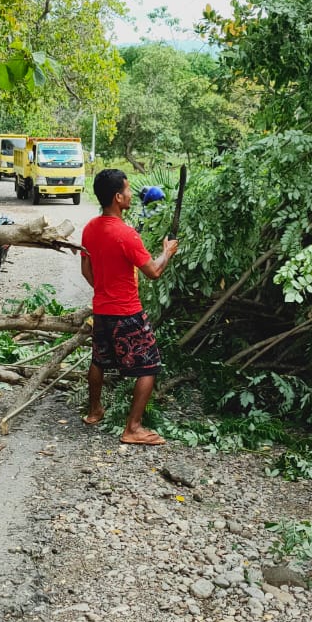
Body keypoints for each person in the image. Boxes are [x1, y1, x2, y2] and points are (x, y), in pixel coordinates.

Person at [80, 168, 179, 446]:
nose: (130, 195)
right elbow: (154, 271)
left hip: (102, 309)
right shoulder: (126, 234)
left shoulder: (89, 229)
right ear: (117, 197)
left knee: (99, 360)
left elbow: (86, 269)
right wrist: (167, 252)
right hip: (127, 312)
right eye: (127, 190)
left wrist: (102, 291)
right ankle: (133, 427)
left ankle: (94, 410)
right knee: (149, 365)